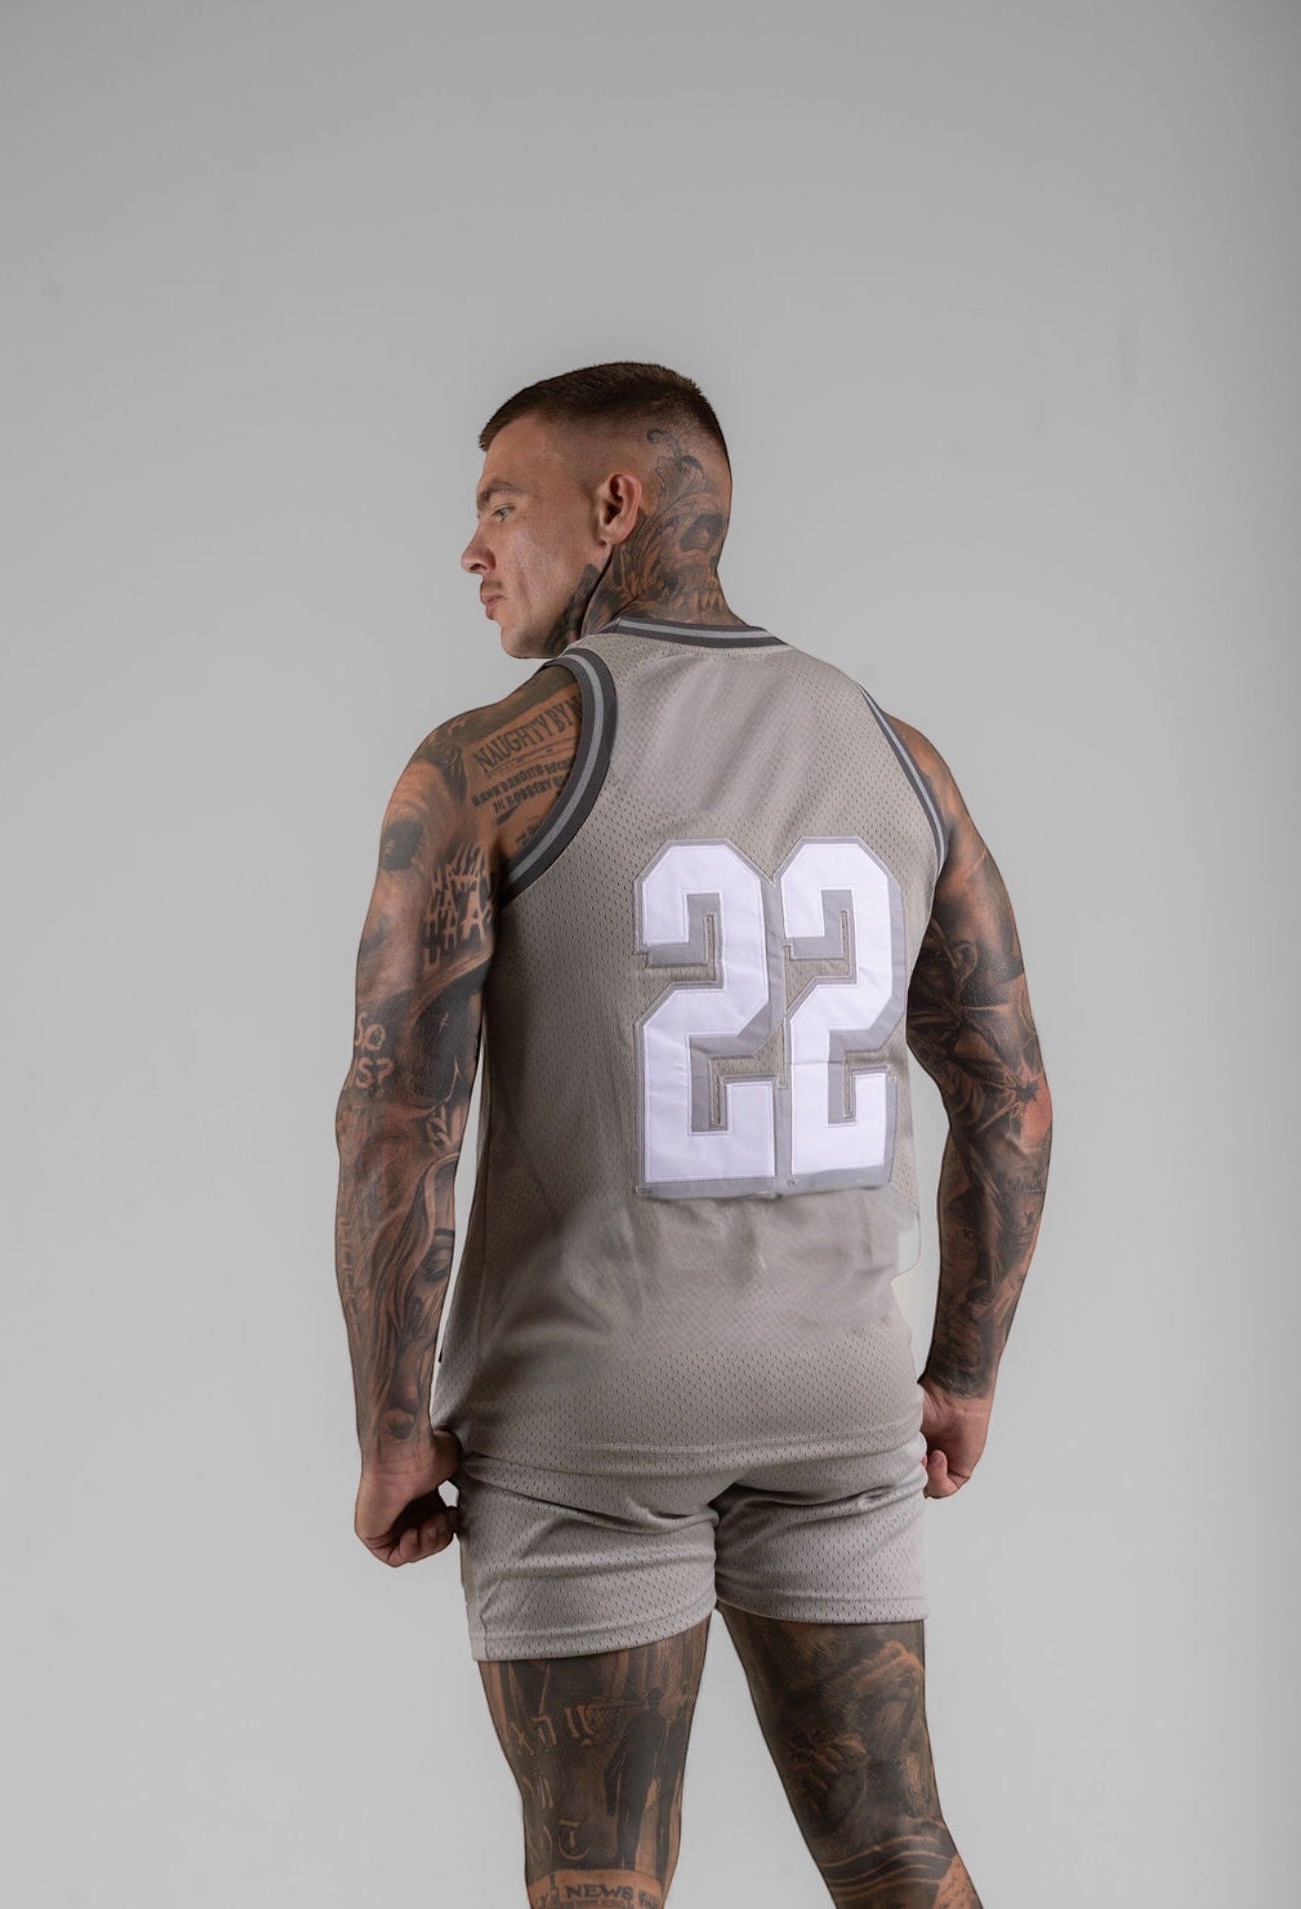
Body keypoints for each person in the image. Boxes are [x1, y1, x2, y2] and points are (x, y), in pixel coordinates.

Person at [334, 360, 1053, 1908]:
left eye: (500, 506)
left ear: (616, 505)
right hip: (840, 1394)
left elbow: (400, 1120)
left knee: (597, 1876)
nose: (471, 549)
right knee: (899, 1847)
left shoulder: (485, 765)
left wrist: (392, 1427)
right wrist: (964, 1372)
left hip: (591, 1406)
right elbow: (1007, 1088)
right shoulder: (898, 755)